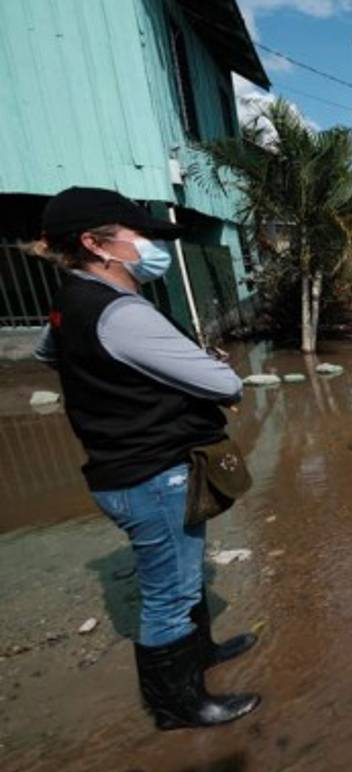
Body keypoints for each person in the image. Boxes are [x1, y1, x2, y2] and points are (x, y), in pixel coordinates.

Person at [29, 187, 260, 730]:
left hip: (130, 467)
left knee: (184, 572)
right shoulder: (121, 313)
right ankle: (177, 707)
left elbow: (46, 353)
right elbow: (224, 383)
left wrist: (115, 382)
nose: (151, 247)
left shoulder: (72, 300)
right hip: (151, 472)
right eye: (140, 235)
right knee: (169, 594)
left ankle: (202, 655)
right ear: (95, 244)